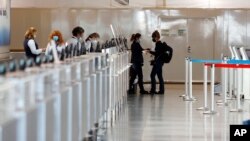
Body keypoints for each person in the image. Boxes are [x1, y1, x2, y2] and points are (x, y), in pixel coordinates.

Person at [148, 30, 167, 94]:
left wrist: (149, 51)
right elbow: (158, 54)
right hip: (160, 62)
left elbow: (157, 53)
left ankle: (153, 90)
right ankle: (161, 91)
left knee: (152, 75)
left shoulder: (158, 44)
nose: (152, 39)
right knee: (159, 76)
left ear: (156, 37)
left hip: (158, 63)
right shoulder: (160, 44)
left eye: (153, 37)